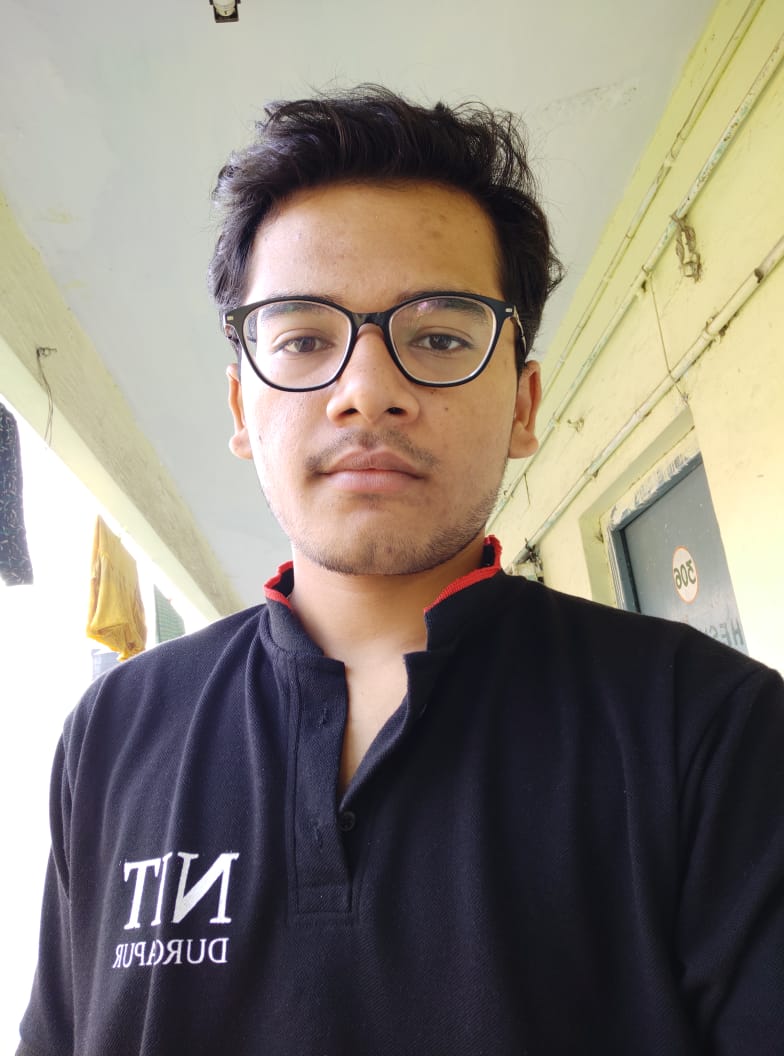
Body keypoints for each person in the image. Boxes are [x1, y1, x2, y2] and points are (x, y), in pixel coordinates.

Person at [18, 87, 784, 1056]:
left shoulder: (714, 731)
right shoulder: (111, 735)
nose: (366, 391)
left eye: (439, 337)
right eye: (304, 339)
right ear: (242, 407)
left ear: (523, 405)